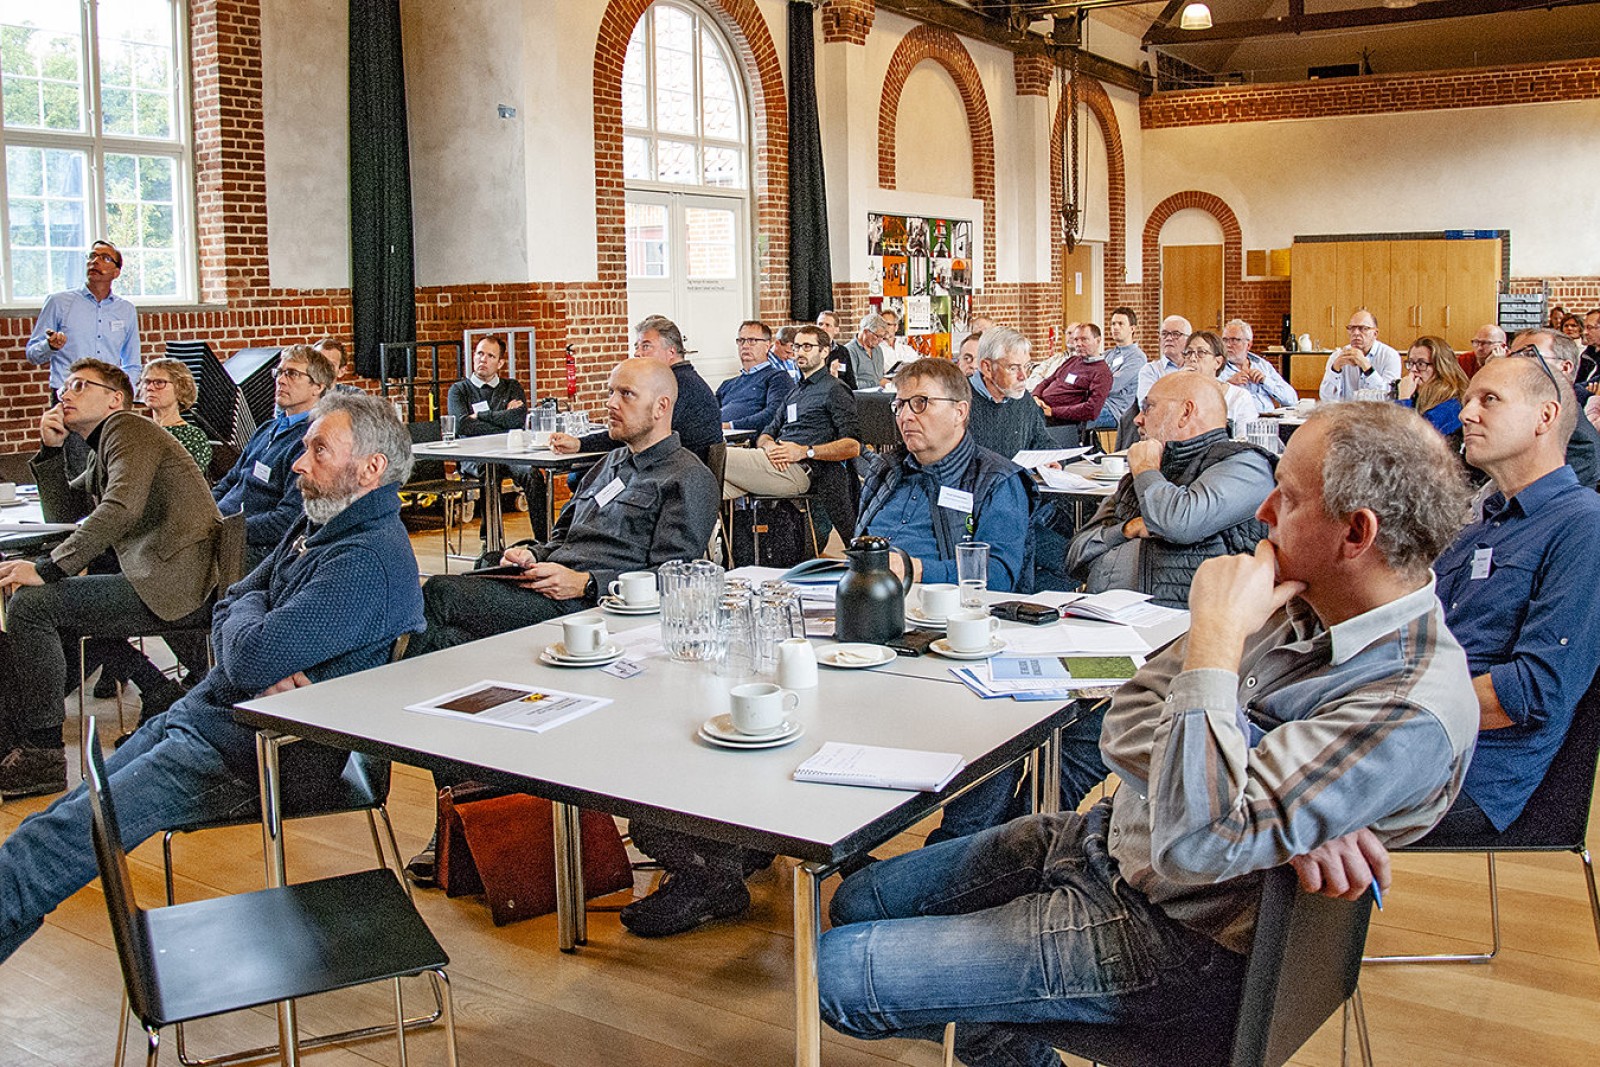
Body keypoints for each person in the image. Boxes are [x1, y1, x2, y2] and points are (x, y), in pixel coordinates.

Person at [818, 401, 1479, 1067]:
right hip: (1104, 841)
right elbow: (1127, 722)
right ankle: (1003, 1014)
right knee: (856, 896)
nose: (1263, 510)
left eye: (1290, 495)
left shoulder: (1406, 706)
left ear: (1356, 533)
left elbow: (1194, 843)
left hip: (1172, 934)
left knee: (836, 975)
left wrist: (1216, 639)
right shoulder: (1300, 598)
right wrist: (1260, 801)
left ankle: (1004, 1020)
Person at [0, 392, 425, 961]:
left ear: (371, 469)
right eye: (304, 447)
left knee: (46, 850)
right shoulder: (319, 525)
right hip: (209, 718)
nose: (299, 463)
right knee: (50, 825)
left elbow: (245, 654)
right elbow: (234, 599)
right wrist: (250, 631)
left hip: (258, 754)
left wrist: (248, 636)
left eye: (319, 450)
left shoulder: (366, 559)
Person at [0, 359, 221, 798]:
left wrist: (47, 569)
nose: (67, 393)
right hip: (153, 576)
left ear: (115, 398)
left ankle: (41, 754)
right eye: (66, 385)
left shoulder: (127, 428)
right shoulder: (106, 443)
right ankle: (157, 691)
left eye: (82, 385)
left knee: (31, 604)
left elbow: (120, 508)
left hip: (172, 581)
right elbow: (67, 514)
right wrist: (50, 451)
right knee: (48, 608)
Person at [408, 358, 719, 656]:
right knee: (452, 632)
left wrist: (586, 584)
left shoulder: (686, 477)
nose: (611, 403)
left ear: (661, 407)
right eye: (610, 392)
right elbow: (561, 538)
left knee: (439, 593)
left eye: (626, 394)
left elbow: (673, 578)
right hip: (550, 582)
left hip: (592, 604)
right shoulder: (607, 464)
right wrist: (532, 554)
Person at [1423, 355, 1600, 841]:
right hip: (1413, 733)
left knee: (1276, 807)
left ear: (1545, 417)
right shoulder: (1487, 522)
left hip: (1471, 770)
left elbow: (1535, 689)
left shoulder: (1583, 525)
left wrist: (1396, 715)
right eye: (1466, 401)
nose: (1466, 414)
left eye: (1489, 400)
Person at [1067, 371, 1276, 608]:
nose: (1137, 419)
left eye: (1149, 407)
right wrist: (1125, 530)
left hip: (1187, 629)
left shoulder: (1244, 465)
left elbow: (1178, 523)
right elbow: (1075, 555)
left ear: (1185, 412)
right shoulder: (1146, 474)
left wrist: (1146, 470)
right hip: (1108, 619)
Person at [857, 358, 1033, 591]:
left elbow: (998, 575)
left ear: (959, 412)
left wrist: (914, 569)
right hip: (867, 599)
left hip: (944, 611)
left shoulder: (996, 480)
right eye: (900, 405)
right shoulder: (885, 470)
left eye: (921, 403)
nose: (905, 416)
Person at [211, 345, 332, 570]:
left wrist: (224, 530)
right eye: (279, 372)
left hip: (255, 547)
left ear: (317, 387)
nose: (281, 380)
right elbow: (231, 481)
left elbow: (287, 519)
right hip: (222, 529)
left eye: (292, 374)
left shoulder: (311, 439)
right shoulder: (267, 428)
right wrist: (204, 510)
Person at [551, 315, 721, 464]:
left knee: (582, 477)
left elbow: (638, 431)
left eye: (646, 346)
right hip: (670, 465)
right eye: (637, 347)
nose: (638, 353)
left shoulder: (678, 385)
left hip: (678, 476)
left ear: (671, 351)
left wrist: (581, 444)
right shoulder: (685, 379)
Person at [721, 324, 861, 503]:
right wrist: (769, 447)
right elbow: (766, 433)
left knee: (711, 454)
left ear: (825, 351)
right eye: (796, 347)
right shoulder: (794, 392)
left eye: (807, 347)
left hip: (800, 470)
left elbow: (853, 446)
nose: (800, 352)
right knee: (700, 487)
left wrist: (805, 451)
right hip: (772, 462)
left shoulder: (835, 389)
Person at [447, 334, 549, 540]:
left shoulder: (512, 387)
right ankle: (491, 541)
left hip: (509, 452)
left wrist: (482, 416)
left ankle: (545, 539)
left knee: (533, 474)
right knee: (488, 470)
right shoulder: (459, 390)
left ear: (500, 362)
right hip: (473, 455)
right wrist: (503, 420)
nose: (483, 360)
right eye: (479, 354)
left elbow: (518, 420)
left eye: (490, 356)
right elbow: (463, 424)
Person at [25, 241, 141, 394]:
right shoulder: (58, 302)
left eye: (105, 258)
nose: (95, 261)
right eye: (92, 256)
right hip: (68, 394)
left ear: (116, 272)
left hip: (107, 396)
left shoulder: (126, 310)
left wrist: (123, 392)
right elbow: (32, 355)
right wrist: (50, 346)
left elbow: (132, 364)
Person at [965, 328, 1053, 458]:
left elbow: (1043, 441)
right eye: (1013, 368)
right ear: (987, 368)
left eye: (1027, 366)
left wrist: (1052, 460)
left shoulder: (1023, 399)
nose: (1023, 376)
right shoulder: (958, 400)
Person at [1031, 323, 1111, 446]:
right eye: (1075, 339)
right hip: (1041, 410)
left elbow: (1091, 410)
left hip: (1062, 424)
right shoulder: (1072, 361)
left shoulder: (1102, 372)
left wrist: (1052, 411)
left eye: (1084, 339)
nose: (1078, 344)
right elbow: (1048, 381)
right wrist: (1036, 396)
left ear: (1098, 340)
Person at [139, 357, 212, 472]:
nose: (150, 388)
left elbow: (189, 481)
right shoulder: (139, 431)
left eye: (159, 383)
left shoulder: (194, 437)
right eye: (147, 382)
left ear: (180, 388)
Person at [716, 320, 788, 433]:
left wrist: (730, 426)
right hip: (718, 438)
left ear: (767, 345)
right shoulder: (728, 384)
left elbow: (774, 414)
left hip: (746, 440)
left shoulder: (778, 378)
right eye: (741, 340)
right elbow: (708, 414)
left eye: (752, 341)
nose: (745, 346)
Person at [1180, 329, 1258, 432]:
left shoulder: (1238, 397)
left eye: (1201, 352)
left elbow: (1245, 440)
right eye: (1189, 352)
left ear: (1218, 362)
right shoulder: (1177, 395)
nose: (1192, 358)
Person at [1319, 308, 1400, 401]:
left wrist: (1367, 368)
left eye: (1363, 328)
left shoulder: (1390, 356)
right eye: (1351, 328)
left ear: (1375, 333)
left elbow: (1390, 397)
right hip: (1346, 413)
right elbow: (1326, 398)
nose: (1356, 333)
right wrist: (1335, 369)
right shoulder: (1337, 356)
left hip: (1377, 414)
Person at [1395, 336, 1469, 437]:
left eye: (1421, 364)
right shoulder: (1417, 393)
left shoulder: (1451, 404)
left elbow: (1410, 439)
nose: (1413, 369)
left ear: (1440, 367)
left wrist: (1403, 399)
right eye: (1411, 363)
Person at [1220, 319, 1298, 413]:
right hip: (1238, 422)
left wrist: (1265, 381)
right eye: (1225, 340)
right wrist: (1228, 385)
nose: (1228, 345)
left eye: (1234, 340)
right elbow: (1207, 400)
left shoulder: (1262, 365)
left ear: (1248, 345)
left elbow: (1292, 399)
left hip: (1270, 420)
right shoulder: (1217, 367)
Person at [1090, 306, 1147, 432]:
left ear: (1132, 329)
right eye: (1113, 324)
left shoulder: (1137, 358)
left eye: (1120, 324)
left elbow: (1112, 385)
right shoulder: (1107, 355)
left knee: (1073, 417)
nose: (1115, 327)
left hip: (1115, 410)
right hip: (1096, 404)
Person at [1135, 315, 1191, 403]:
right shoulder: (1151, 370)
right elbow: (1147, 404)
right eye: (1164, 334)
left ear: (1188, 340)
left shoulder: (1196, 367)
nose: (1168, 338)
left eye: (1175, 334)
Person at [836, 313, 891, 390]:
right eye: (878, 336)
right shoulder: (849, 351)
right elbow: (851, 383)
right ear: (865, 332)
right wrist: (877, 383)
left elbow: (880, 377)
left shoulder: (878, 350)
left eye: (883, 337)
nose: (881, 340)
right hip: (860, 397)